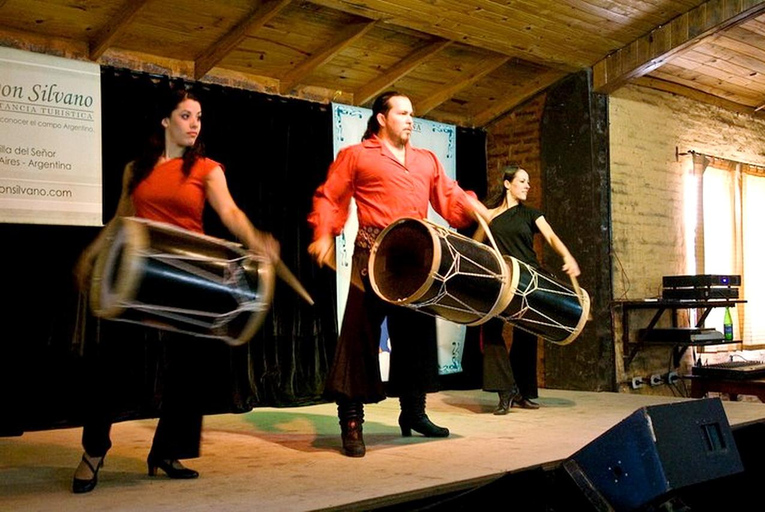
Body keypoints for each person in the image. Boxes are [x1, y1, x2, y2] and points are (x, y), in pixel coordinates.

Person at [71, 88, 279, 493]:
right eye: (185, 115)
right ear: (165, 121)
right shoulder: (136, 169)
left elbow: (230, 212)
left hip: (188, 279)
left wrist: (256, 238)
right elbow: (120, 218)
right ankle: (93, 452)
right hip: (137, 276)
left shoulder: (207, 169)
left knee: (187, 372)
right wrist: (91, 255)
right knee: (112, 368)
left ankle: (167, 451)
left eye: (198, 117)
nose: (194, 124)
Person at [308, 91, 489, 457]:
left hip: (415, 259)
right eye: (403, 113)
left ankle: (414, 413)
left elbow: (450, 197)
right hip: (372, 256)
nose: (410, 119)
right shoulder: (358, 155)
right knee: (358, 337)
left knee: (417, 334)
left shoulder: (425, 160)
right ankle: (352, 421)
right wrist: (324, 233)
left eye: (412, 114)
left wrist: (473, 207)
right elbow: (331, 196)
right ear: (382, 118)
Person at [474, 165, 580, 415]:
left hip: (528, 279)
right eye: (522, 181)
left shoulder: (532, 214)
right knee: (491, 332)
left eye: (528, 182)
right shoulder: (490, 216)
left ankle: (522, 392)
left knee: (526, 334)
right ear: (507, 184)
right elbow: (475, 246)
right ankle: (505, 390)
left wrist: (567, 256)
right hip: (501, 279)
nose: (527, 186)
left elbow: (551, 237)